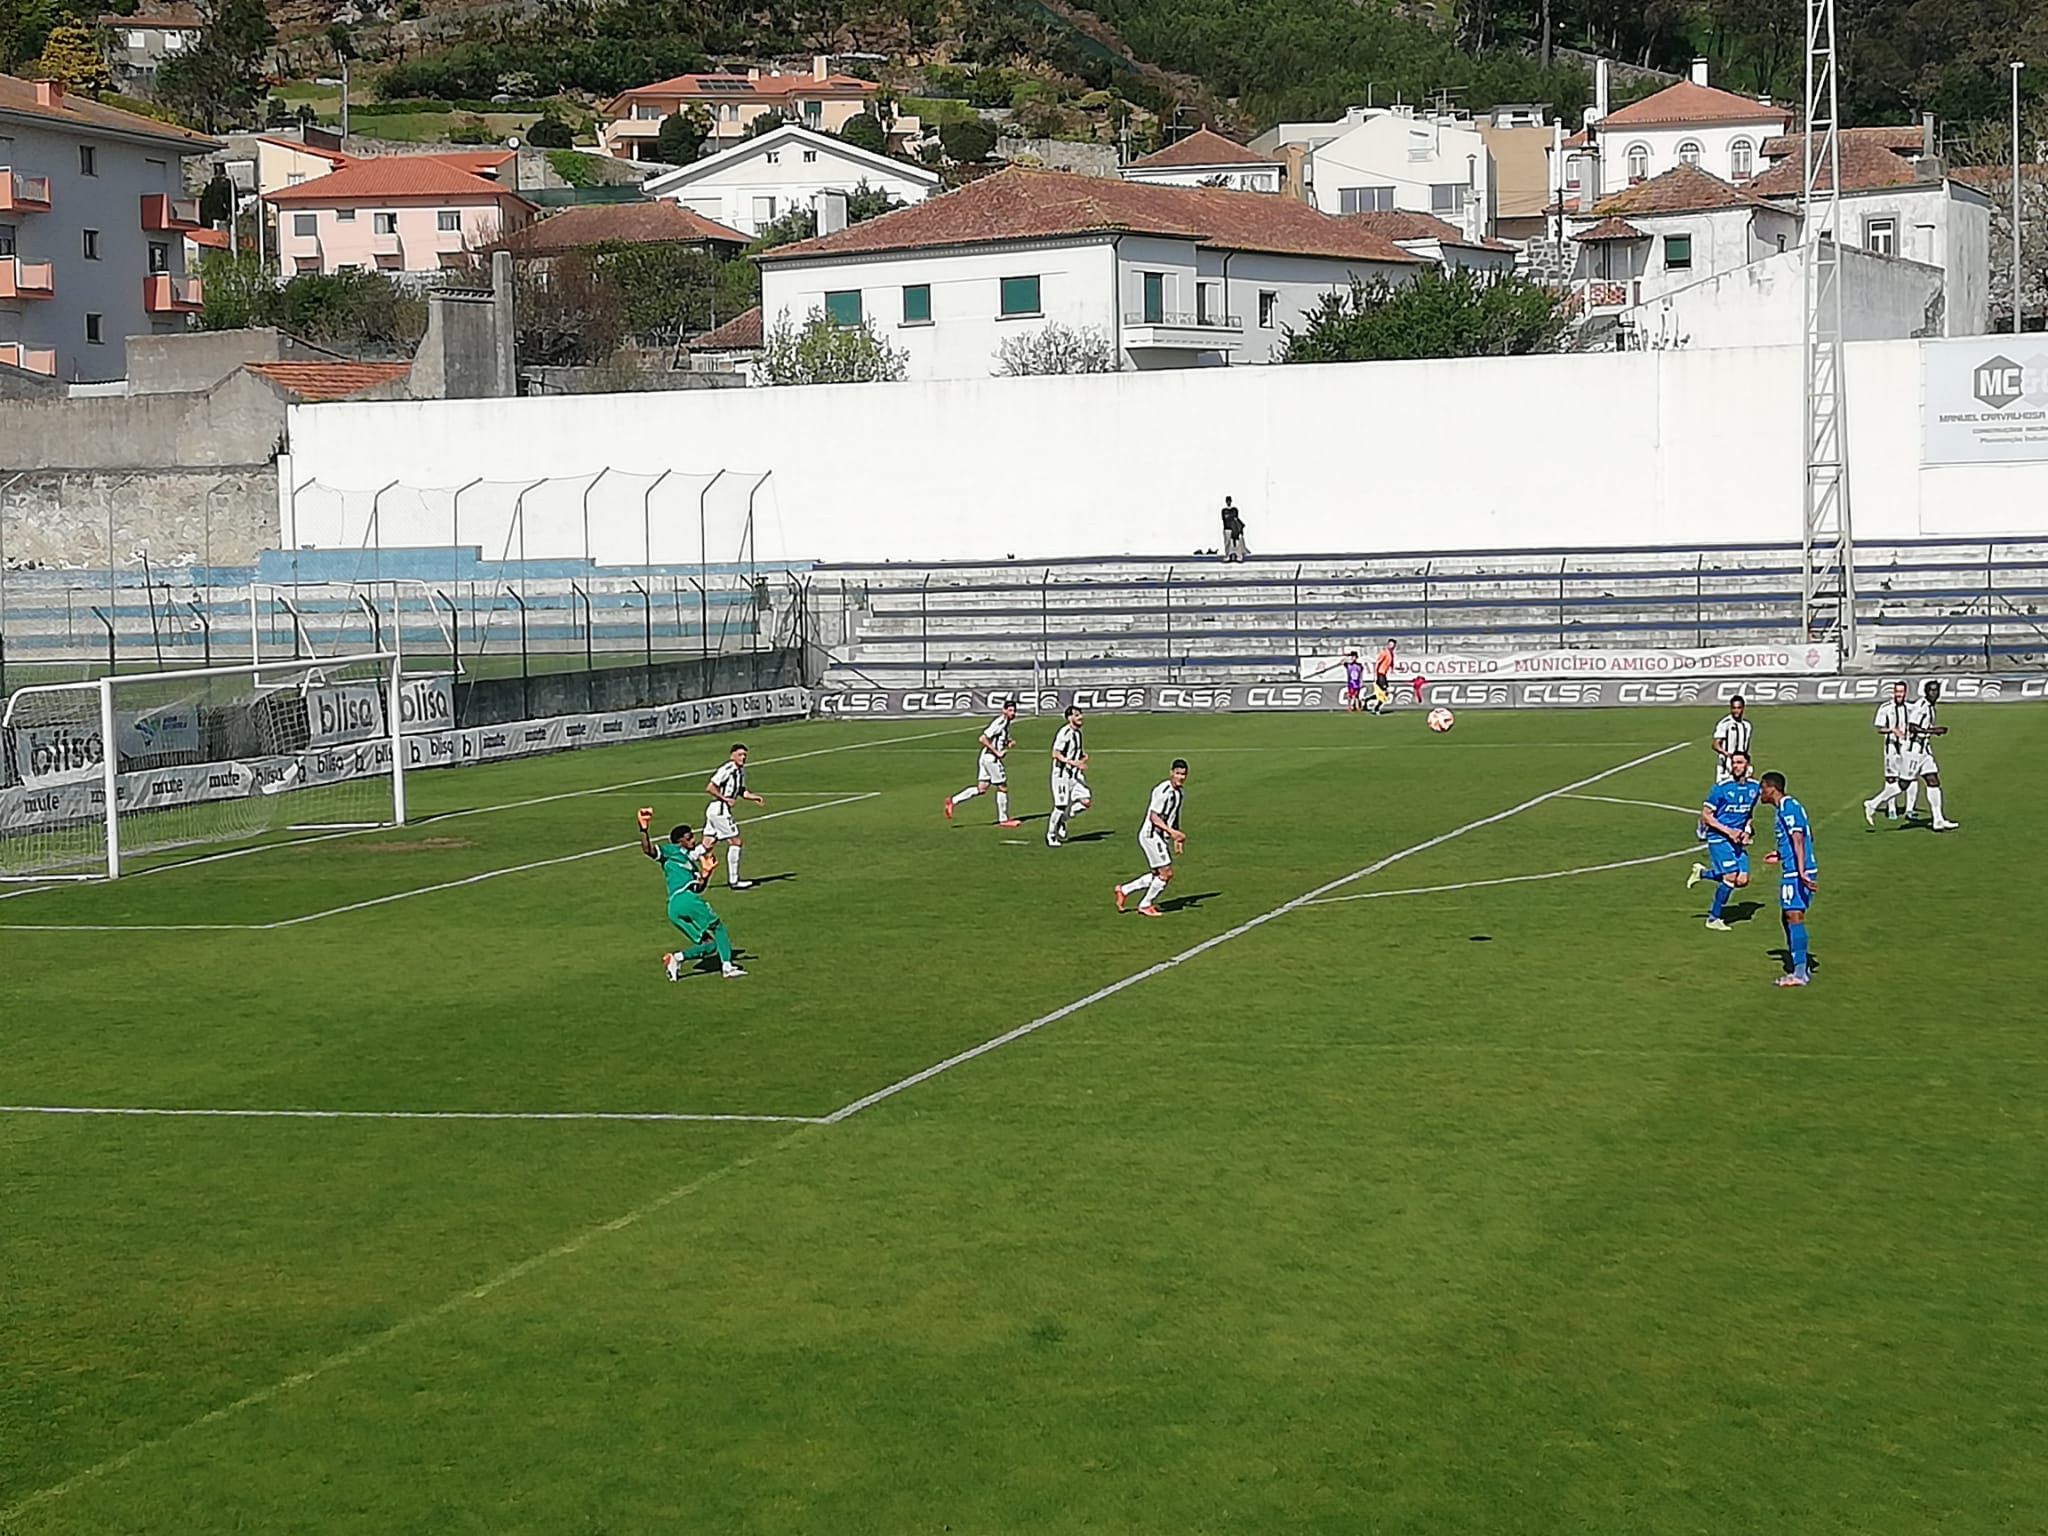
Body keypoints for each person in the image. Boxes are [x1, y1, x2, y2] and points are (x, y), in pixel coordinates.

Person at [638, 809, 745, 980]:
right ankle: (727, 967)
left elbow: (699, 888)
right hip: (684, 899)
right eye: (688, 838)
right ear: (679, 841)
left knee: (709, 945)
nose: (693, 841)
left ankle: (676, 958)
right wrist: (644, 829)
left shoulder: (690, 863)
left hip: (675, 907)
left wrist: (706, 873)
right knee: (718, 927)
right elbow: (648, 850)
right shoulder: (672, 851)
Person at [1686, 749, 1759, 931]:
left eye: (1740, 762)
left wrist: (1746, 831)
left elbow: (1748, 813)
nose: (1736, 766)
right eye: (1733, 763)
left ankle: (1703, 874)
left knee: (1742, 880)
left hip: (1736, 839)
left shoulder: (1754, 788)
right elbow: (1706, 815)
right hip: (1719, 837)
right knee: (1730, 877)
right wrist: (1729, 832)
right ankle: (1713, 918)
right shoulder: (1721, 788)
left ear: (1748, 765)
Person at [1758, 772, 1817, 987]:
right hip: (1792, 866)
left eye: (1762, 788)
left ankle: (1800, 972)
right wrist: (1781, 854)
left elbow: (1798, 837)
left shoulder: (1787, 807)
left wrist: (1801, 870)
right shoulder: (1791, 806)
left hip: (1796, 872)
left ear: (1771, 788)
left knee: (1794, 916)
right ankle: (1800, 964)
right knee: (1787, 916)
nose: (1760, 793)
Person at [1114, 759, 1188, 917]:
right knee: (1166, 873)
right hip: (1151, 835)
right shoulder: (1164, 791)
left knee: (1158, 874)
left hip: (1160, 837)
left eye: (1183, 774)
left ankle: (1124, 890)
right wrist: (1171, 832)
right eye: (1178, 774)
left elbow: (1174, 817)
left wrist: (1176, 837)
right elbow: (1154, 817)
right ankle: (1145, 905)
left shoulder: (1180, 793)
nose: (1180, 777)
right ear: (1171, 773)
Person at [945, 698, 1022, 827]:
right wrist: (997, 752)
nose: (1013, 713)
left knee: (982, 789)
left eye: (1014, 710)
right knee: (1002, 787)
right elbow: (983, 738)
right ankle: (1004, 819)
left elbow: (998, 738)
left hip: (985, 757)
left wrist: (1008, 742)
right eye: (1010, 710)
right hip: (991, 759)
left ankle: (952, 801)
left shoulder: (1006, 723)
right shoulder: (999, 723)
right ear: (1004, 711)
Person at [702, 742, 767, 890]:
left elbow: (741, 791)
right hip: (720, 810)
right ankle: (734, 881)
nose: (743, 758)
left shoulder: (740, 771)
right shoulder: (727, 769)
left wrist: (754, 797)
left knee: (707, 845)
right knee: (736, 842)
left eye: (745, 755)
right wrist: (726, 799)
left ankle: (684, 866)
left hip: (715, 810)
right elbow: (710, 787)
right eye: (740, 755)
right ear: (732, 756)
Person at [1901, 679, 1959, 830]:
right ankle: (1873, 803)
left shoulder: (1930, 707)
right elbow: (1912, 727)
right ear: (1925, 692)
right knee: (1902, 785)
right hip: (1914, 751)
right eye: (1931, 690)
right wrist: (1933, 731)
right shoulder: (1921, 706)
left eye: (1936, 690)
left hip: (1924, 750)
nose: (1934, 693)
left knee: (1933, 781)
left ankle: (1938, 819)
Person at [1862, 681, 1913, 826]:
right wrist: (1892, 730)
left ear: (1906, 692)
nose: (1899, 695)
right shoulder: (1886, 708)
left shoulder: (1910, 708)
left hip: (1907, 747)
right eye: (1897, 692)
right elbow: (1879, 728)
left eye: (1902, 692)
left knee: (1911, 777)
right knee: (1891, 778)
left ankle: (1909, 808)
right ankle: (1892, 809)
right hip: (1891, 748)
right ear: (1893, 692)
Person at [1046, 704, 1091, 846]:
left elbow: (1075, 751)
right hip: (1061, 775)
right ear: (1069, 718)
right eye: (1077, 715)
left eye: (1080, 714)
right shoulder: (1065, 733)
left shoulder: (1078, 732)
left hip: (1075, 775)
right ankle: (1051, 835)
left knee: (1086, 801)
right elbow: (1055, 754)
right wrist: (1073, 763)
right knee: (1060, 805)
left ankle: (1063, 820)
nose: (1080, 717)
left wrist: (1082, 757)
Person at [1712, 695, 1754, 785]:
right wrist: (1728, 755)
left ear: (1743, 708)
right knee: (1724, 790)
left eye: (1738, 708)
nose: (1736, 711)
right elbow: (1715, 745)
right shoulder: (1725, 724)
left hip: (1742, 765)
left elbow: (1747, 746)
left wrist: (1748, 763)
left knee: (1743, 789)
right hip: (1726, 765)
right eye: (1734, 708)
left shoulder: (1747, 725)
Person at [1371, 639, 1397, 714]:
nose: (1392, 646)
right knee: (1385, 691)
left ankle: (1368, 700)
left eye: (1393, 645)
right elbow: (1378, 662)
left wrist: (1393, 669)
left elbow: (1391, 663)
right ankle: (1376, 708)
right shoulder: (1384, 652)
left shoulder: (1391, 654)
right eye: (1391, 644)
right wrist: (1375, 674)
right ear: (1388, 644)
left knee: (1384, 693)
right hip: (1380, 674)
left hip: (1383, 675)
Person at [1219, 497, 1247, 562]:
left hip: (1234, 528)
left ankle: (1238, 555)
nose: (1228, 502)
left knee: (1237, 543)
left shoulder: (1234, 509)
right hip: (1227, 528)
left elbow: (1235, 517)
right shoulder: (1224, 510)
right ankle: (1228, 555)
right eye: (1227, 501)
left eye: (1229, 501)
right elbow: (1225, 518)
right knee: (1227, 543)